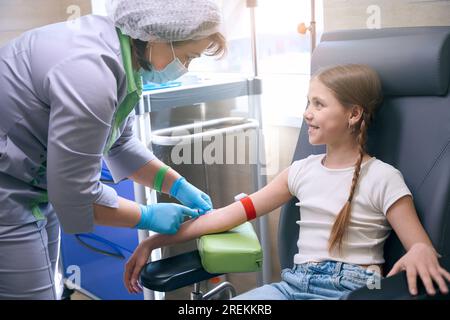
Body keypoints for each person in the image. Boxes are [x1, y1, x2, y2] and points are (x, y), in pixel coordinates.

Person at [124, 64, 450, 299]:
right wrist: (155, 241)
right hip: (292, 287)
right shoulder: (299, 171)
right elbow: (226, 216)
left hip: (352, 290)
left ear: (353, 114)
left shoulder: (384, 178)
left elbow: (420, 245)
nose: (308, 112)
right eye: (308, 102)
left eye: (319, 104)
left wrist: (421, 252)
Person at [0, 0, 226, 299]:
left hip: (30, 183)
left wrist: (177, 185)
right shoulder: (91, 73)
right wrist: (146, 215)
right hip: (10, 191)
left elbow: (120, 144)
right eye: (188, 57)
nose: (185, 68)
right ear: (158, 36)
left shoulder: (120, 54)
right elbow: (74, 196)